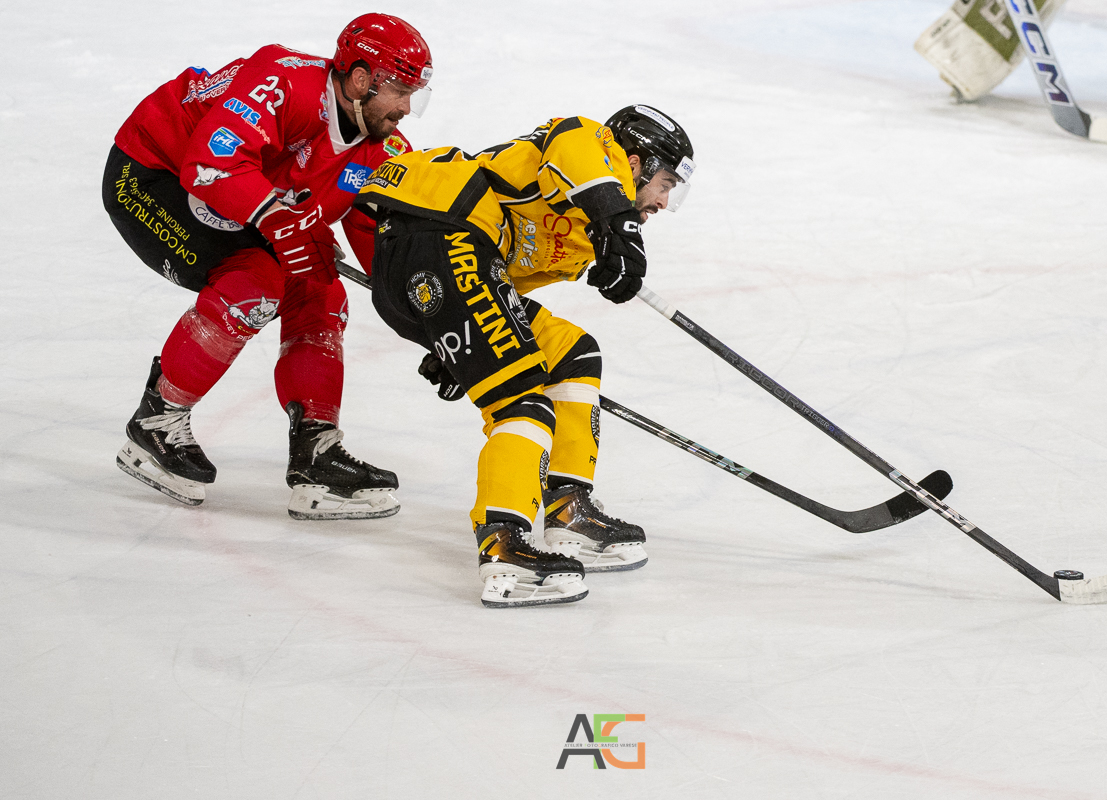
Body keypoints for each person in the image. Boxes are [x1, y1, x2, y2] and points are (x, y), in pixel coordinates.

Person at [355, 105, 695, 606]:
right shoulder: (589, 144)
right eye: (664, 184)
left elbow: (502, 285)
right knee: (522, 401)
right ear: (635, 162)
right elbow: (573, 147)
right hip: (441, 234)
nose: (664, 202)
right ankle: (505, 546)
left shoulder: (581, 236)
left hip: (442, 265)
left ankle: (568, 510)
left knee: (572, 354)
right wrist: (618, 223)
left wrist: (454, 343)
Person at [102, 14, 433, 519]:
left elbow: (386, 253)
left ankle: (316, 453)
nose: (407, 108)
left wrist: (433, 327)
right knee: (257, 284)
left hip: (246, 200)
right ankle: (156, 422)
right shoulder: (283, 82)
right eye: (400, 91)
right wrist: (282, 222)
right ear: (360, 78)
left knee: (321, 288)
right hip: (153, 173)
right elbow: (211, 164)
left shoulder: (382, 149)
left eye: (414, 94)